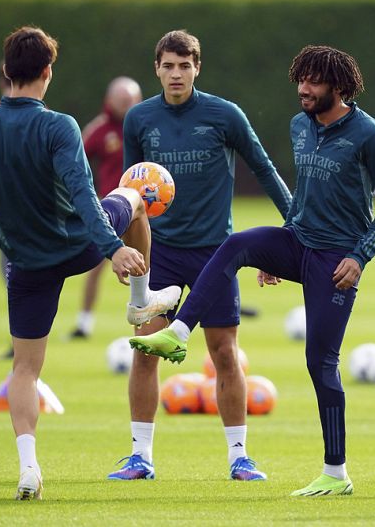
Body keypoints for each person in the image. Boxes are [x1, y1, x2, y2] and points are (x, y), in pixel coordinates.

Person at [128, 44, 375, 497]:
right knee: (237, 245)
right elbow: (304, 197)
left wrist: (360, 255)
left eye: (313, 82)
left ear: (339, 86)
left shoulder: (369, 134)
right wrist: (278, 250)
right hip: (298, 242)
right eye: (300, 80)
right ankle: (178, 332)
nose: (303, 89)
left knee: (321, 363)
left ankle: (336, 473)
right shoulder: (301, 125)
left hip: (335, 261)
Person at [0, 26, 179, 500]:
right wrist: (113, 250)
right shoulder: (60, 125)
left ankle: (29, 467)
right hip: (78, 244)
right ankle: (141, 302)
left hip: (25, 263)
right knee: (134, 194)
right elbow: (84, 197)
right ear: (47, 72)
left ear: (7, 72)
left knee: (25, 370)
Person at [106, 29, 292, 483]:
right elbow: (130, 191)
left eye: (184, 66)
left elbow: (265, 169)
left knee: (225, 352)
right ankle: (140, 457)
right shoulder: (139, 119)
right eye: (168, 66)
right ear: (156, 68)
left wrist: (292, 234)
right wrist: (125, 248)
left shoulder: (224, 115)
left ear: (197, 68)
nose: (176, 74)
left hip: (216, 254)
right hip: (159, 251)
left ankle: (239, 458)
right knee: (145, 349)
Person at [70, 76, 143, 339]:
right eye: (122, 100)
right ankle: (84, 324)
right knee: (95, 266)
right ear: (110, 101)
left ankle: (157, 320)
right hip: (109, 210)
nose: (127, 104)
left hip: (146, 211)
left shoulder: (147, 127)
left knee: (156, 266)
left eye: (132, 100)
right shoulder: (100, 129)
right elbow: (73, 159)